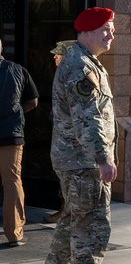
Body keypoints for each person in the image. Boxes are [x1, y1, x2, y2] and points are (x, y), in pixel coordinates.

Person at [35, 8, 127, 264]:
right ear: (86, 33)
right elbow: (87, 118)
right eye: (105, 29)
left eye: (111, 29)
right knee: (92, 223)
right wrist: (102, 157)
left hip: (75, 159)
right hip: (83, 162)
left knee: (74, 219)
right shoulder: (79, 67)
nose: (111, 34)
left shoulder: (84, 62)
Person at [0, 40, 39, 247]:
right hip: (11, 135)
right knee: (12, 181)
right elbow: (32, 101)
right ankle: (14, 233)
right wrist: (17, 115)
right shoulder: (18, 70)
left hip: (10, 132)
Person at [42, 40, 76, 225]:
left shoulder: (74, 75)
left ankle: (65, 212)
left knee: (69, 182)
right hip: (61, 139)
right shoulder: (61, 74)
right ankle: (64, 211)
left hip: (70, 142)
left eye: (59, 54)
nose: (55, 56)